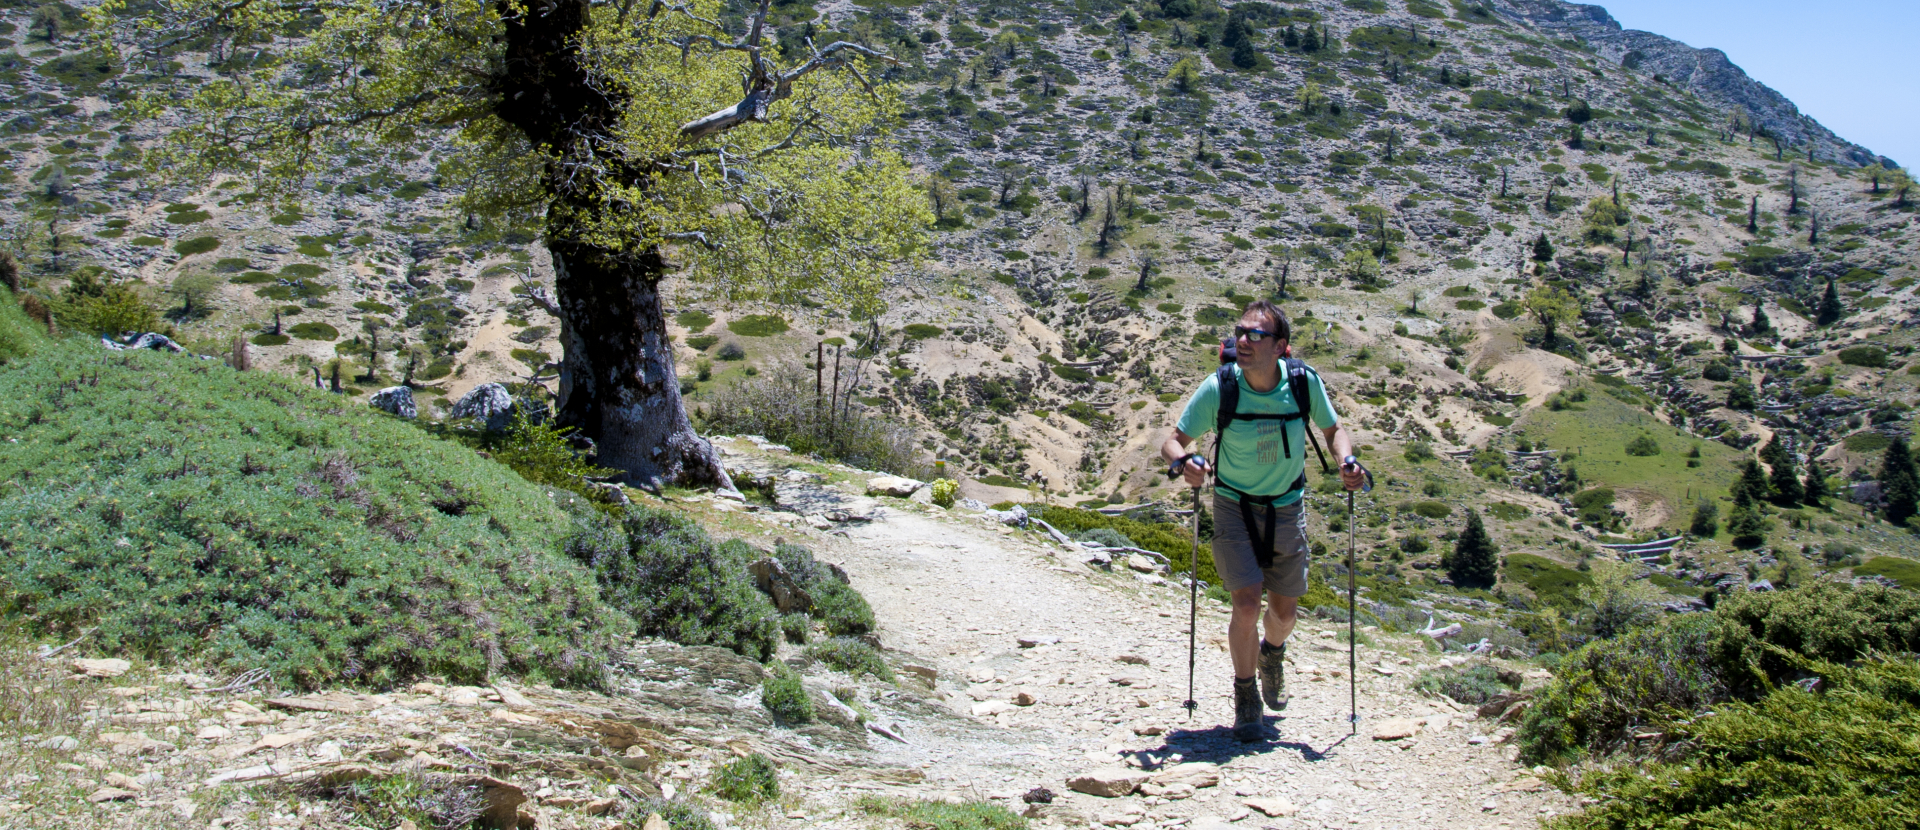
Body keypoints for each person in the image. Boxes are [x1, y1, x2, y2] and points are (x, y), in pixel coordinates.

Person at [1160, 300, 1366, 741]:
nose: (1244, 342)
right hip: (1233, 505)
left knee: (1284, 610)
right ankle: (1245, 693)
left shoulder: (1303, 383)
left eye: (1256, 335)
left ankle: (1273, 653)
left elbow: (1333, 431)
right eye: (1240, 333)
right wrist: (1185, 465)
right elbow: (1173, 442)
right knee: (1247, 603)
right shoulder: (1220, 386)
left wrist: (1347, 460)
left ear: (1281, 347)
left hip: (1286, 506)